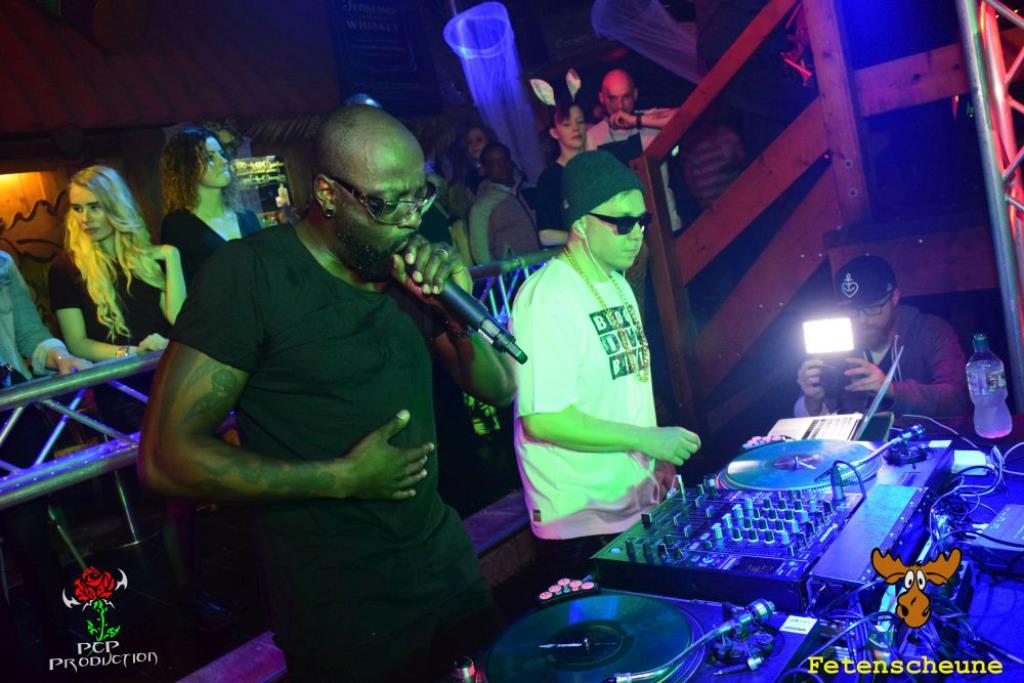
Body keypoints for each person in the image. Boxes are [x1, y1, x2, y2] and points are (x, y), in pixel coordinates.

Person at [138, 104, 517, 683]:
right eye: (387, 203)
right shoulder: (251, 276)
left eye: (420, 196)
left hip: (443, 566)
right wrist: (341, 477)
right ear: (327, 193)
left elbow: (497, 388)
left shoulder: (403, 271)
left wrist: (453, 308)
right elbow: (165, 457)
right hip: (340, 600)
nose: (410, 220)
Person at [49, 165, 234, 630]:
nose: (86, 218)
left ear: (116, 207)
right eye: (78, 209)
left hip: (171, 380)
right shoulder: (66, 268)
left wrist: (172, 260)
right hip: (123, 392)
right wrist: (131, 352)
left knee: (196, 486)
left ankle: (209, 586)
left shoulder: (152, 257)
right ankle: (191, 596)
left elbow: (179, 319)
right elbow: (76, 343)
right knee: (175, 492)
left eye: (95, 207)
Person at [511, 151, 701, 574]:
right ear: (580, 224)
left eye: (642, 221)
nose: (636, 234)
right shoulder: (547, 298)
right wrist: (649, 441)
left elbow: (628, 387)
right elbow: (544, 420)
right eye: (622, 223)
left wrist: (656, 460)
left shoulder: (617, 283)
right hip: (579, 523)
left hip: (630, 502)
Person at [0, 250, 90, 677]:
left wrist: (58, 356)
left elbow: (29, 333)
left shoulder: (1, 264)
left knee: (31, 535)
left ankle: (61, 649)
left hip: (11, 411)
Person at [795, 255, 969, 418]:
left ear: (894, 297)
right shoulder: (836, 337)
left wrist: (890, 389)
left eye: (872, 308)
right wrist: (812, 399)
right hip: (861, 440)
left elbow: (957, 399)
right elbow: (815, 416)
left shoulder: (930, 331)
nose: (861, 320)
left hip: (924, 438)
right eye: (853, 310)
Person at [159, 126, 262, 286]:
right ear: (187, 168)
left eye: (222, 154)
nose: (223, 161)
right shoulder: (177, 226)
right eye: (209, 157)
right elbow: (180, 288)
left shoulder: (248, 218)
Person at [586, 68, 682, 233]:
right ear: (602, 98)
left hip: (665, 224)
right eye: (612, 98)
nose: (620, 106)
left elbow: (683, 115)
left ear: (635, 95)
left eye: (626, 97)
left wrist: (635, 120)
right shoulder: (593, 136)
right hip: (623, 234)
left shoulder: (649, 121)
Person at [468, 142, 540, 265]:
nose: (501, 165)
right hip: (517, 272)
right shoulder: (482, 207)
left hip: (547, 261)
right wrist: (498, 273)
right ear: (485, 169)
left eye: (504, 159)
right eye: (493, 162)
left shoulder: (530, 189)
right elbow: (480, 252)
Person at [533, 89, 586, 248]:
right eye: (567, 124)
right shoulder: (550, 179)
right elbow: (545, 235)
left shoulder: (598, 166)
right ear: (554, 132)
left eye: (580, 122)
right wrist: (585, 238)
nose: (575, 128)